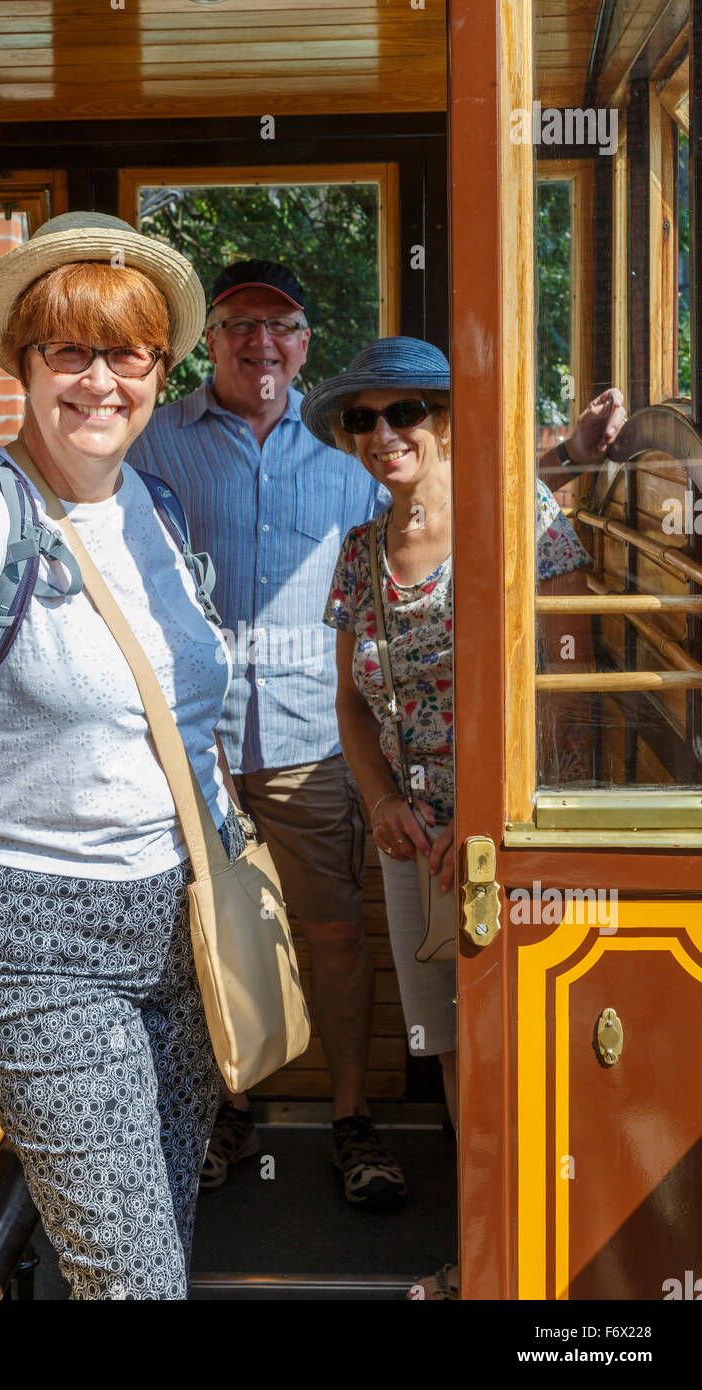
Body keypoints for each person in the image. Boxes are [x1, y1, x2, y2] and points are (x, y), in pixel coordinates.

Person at [0, 211, 246, 1301]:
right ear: (23, 364)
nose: (99, 380)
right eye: (68, 350)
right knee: (132, 1279)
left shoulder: (156, 508)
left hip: (179, 928)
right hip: (36, 939)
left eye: (129, 352)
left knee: (158, 1226)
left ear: (161, 369)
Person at [301, 336, 625, 1297]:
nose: (384, 433)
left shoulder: (518, 519)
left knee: (519, 1044)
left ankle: (556, 1268)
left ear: (448, 423)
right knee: (447, 1047)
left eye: (406, 413)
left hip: (507, 840)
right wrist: (386, 803)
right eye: (364, 419)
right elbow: (353, 705)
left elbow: (565, 680)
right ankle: (486, 1256)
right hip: (414, 844)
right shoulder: (361, 553)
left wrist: (482, 817)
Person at [128, 260, 407, 1207]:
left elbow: (407, 575)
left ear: (304, 345)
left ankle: (352, 1122)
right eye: (241, 325)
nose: (261, 344)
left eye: (281, 327)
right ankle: (224, 1114)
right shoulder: (150, 446)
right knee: (196, 938)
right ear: (211, 340)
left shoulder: (347, 471)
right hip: (182, 754)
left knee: (331, 936)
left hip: (308, 749)